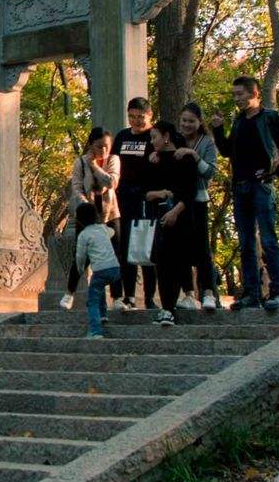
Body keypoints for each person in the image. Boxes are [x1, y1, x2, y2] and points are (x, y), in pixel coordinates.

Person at [219, 75, 279, 314]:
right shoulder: (238, 121)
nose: (237, 99)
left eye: (240, 94)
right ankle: (252, 293)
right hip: (240, 186)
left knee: (268, 239)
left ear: (254, 94)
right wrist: (216, 129)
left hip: (261, 186)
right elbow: (226, 152)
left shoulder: (273, 118)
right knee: (245, 243)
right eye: (234, 95)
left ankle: (277, 291)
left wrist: (276, 172)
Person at [60, 128, 120, 310]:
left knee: (115, 255)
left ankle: (117, 297)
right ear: (91, 145)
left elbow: (111, 182)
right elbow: (76, 187)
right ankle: (69, 293)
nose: (103, 150)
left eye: (106, 147)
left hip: (110, 213)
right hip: (87, 216)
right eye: (99, 146)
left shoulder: (113, 160)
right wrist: (86, 205)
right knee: (82, 255)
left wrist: (94, 166)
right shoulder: (80, 162)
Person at [144, 123, 198, 325]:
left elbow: (190, 192)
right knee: (163, 264)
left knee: (178, 262)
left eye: (155, 137)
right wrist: (159, 194)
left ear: (166, 136)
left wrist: (175, 211)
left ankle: (178, 303)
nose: (152, 142)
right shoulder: (154, 160)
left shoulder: (185, 158)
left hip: (181, 218)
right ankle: (166, 308)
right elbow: (145, 191)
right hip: (158, 218)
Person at [111, 97, 158, 310]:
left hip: (147, 199)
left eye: (141, 117)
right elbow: (112, 162)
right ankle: (128, 295)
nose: (136, 121)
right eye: (132, 117)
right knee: (125, 247)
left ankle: (149, 297)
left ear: (150, 116)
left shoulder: (154, 136)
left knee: (147, 247)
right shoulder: (122, 136)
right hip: (123, 199)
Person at [175, 102, 221, 311]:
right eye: (184, 120)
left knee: (202, 248)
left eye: (191, 121)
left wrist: (194, 156)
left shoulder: (207, 143)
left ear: (199, 122)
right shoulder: (175, 139)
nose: (186, 124)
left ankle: (208, 292)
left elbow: (210, 172)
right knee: (181, 248)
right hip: (178, 202)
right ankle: (188, 293)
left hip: (199, 199)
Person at [73, 200, 122, 340]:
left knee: (92, 300)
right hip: (115, 268)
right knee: (98, 287)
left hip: (100, 270)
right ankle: (103, 315)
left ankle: (95, 331)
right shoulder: (102, 229)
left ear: (80, 220)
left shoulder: (83, 235)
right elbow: (112, 231)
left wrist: (80, 267)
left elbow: (80, 255)